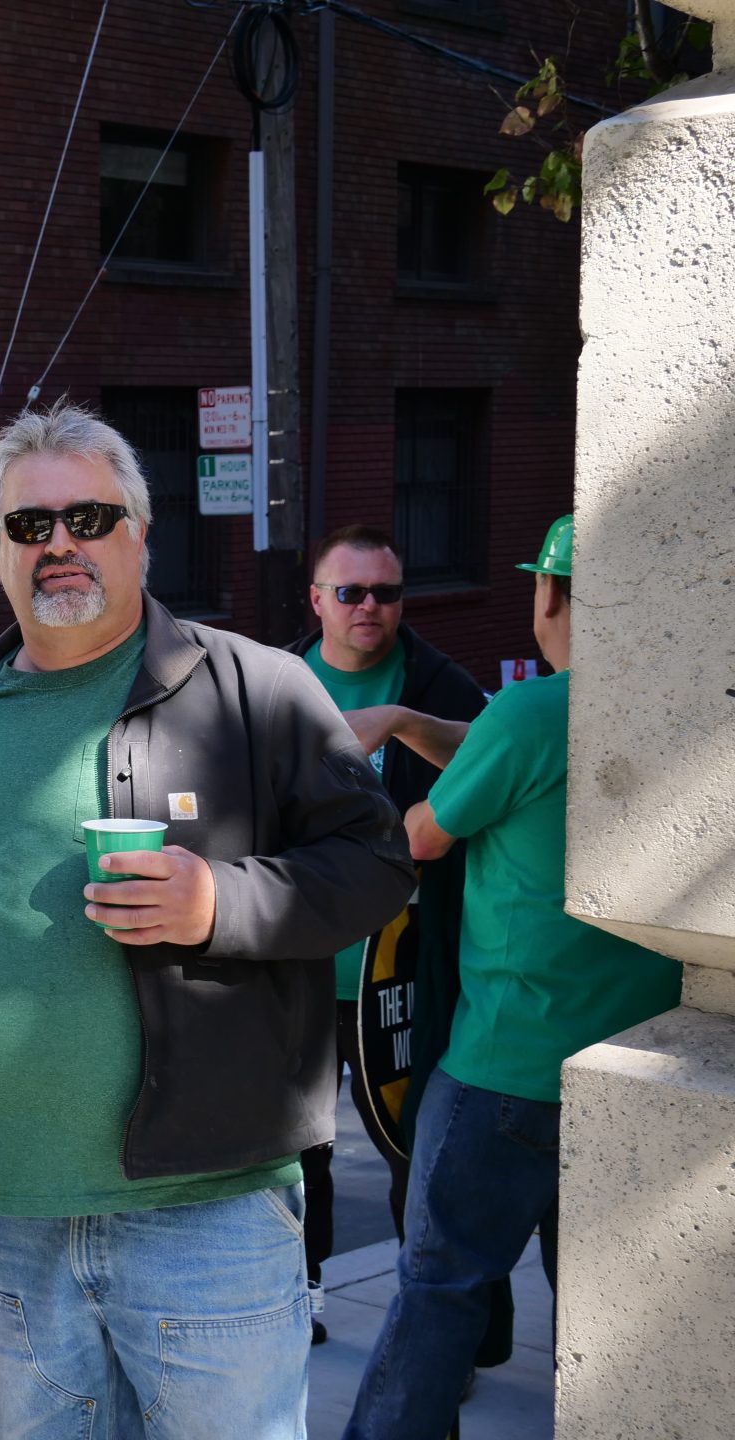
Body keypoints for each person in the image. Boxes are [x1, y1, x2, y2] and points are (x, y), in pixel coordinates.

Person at [0, 400, 415, 1440]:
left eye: (87, 518)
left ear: (139, 532)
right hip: (12, 1219)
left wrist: (219, 901)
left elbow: (376, 866)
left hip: (208, 1213)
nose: (59, 545)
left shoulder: (257, 690)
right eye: (28, 526)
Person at [342, 516, 681, 1440]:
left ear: (551, 596)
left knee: (438, 1292)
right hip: (637, 1066)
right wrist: (412, 720)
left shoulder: (533, 714)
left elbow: (424, 836)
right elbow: (506, 761)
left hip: (506, 1067)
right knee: (610, 1316)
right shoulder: (678, 708)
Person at [285, 525, 488, 1342]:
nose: (371, 608)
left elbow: (495, 771)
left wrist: (406, 723)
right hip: (295, 968)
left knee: (425, 1162)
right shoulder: (270, 680)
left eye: (387, 593)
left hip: (405, 972)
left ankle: (445, 1334)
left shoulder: (441, 685)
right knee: (296, 1159)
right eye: (351, 592)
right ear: (317, 601)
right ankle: (300, 1306)